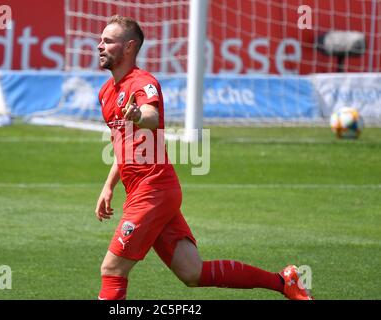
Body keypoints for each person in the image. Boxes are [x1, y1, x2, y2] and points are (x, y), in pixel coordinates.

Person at [95, 15, 313, 300]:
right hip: (144, 192)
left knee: (112, 268)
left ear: (128, 47)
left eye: (108, 41)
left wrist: (139, 115)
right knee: (192, 272)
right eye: (101, 40)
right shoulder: (105, 93)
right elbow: (122, 144)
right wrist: (109, 185)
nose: (99, 45)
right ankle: (285, 282)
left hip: (154, 190)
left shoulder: (143, 82)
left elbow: (152, 114)